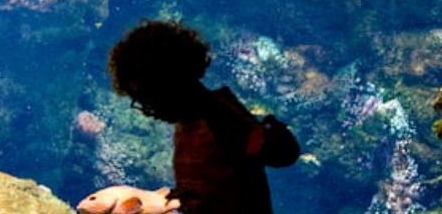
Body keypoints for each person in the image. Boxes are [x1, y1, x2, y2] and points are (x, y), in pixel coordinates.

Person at [106, 19, 300, 214]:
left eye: (149, 99)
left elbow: (282, 154)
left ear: (169, 85)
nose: (149, 110)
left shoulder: (220, 118)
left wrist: (270, 132)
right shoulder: (188, 122)